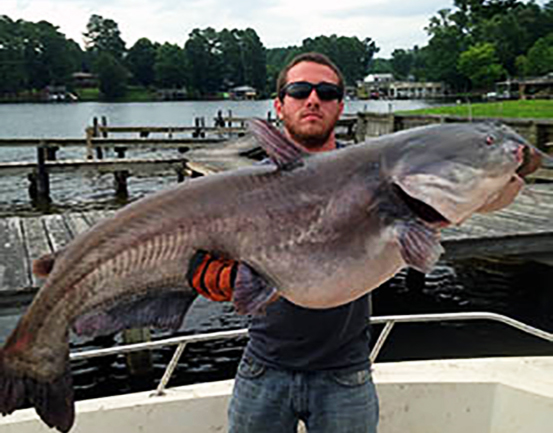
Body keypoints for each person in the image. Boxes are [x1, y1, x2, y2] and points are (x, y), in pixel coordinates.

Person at [190, 52, 379, 433]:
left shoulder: (372, 180)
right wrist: (199, 269)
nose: (313, 100)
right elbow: (201, 250)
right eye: (299, 91)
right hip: (263, 369)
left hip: (347, 374)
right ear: (279, 105)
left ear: (341, 106)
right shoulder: (244, 189)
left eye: (326, 92)